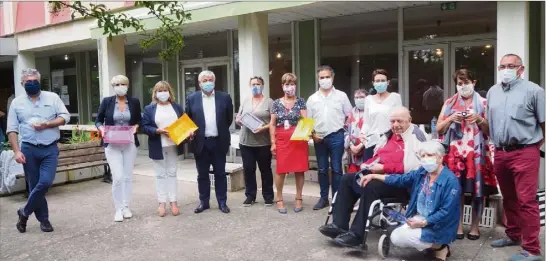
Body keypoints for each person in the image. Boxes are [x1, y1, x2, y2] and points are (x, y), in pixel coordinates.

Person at [319, 107, 427, 247]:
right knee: (348, 179)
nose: (395, 125)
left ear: (409, 120)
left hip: (400, 183)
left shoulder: (416, 136)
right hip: (378, 176)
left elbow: (414, 168)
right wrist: (368, 164)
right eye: (392, 121)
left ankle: (357, 236)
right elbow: (378, 157)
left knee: (371, 186)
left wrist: (384, 168)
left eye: (399, 121)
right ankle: (339, 225)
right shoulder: (388, 136)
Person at [360, 141, 461, 261]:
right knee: (397, 237)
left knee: (404, 237)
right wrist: (374, 176)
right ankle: (432, 245)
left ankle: (440, 247)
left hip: (439, 224)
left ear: (440, 157)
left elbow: (446, 212)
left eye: (429, 155)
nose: (425, 159)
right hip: (420, 217)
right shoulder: (422, 172)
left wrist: (424, 223)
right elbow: (401, 179)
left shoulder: (451, 181)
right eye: (422, 156)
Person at [487, 54, 545, 261]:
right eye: (502, 66)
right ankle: (513, 235)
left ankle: (532, 249)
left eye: (511, 66)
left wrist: (533, 147)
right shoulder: (493, 92)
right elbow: (490, 123)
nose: (506, 69)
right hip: (501, 152)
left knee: (526, 201)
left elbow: (544, 123)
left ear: (521, 69)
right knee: (509, 197)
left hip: (525, 151)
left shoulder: (534, 91)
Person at [435, 69, 497, 241]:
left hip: (478, 154)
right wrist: (450, 119)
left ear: (474, 82)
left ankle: (475, 227)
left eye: (466, 82)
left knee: (479, 190)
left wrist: (478, 118)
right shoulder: (449, 103)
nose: (463, 86)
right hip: (455, 154)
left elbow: (491, 130)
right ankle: (459, 226)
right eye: (460, 83)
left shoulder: (484, 103)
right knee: (457, 191)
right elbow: (439, 128)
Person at [7, 68, 70, 233]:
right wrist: (16, 151)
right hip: (28, 149)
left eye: (35, 80)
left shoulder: (53, 97)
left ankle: (24, 212)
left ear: (39, 81)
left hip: (49, 147)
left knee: (45, 182)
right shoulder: (16, 103)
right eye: (28, 81)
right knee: (34, 185)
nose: (32, 83)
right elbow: (11, 129)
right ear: (22, 84)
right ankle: (44, 220)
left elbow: (65, 116)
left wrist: (47, 124)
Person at [186, 70, 233, 214]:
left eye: (210, 79)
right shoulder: (192, 98)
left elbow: (228, 119)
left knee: (220, 174)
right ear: (199, 83)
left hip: (218, 142)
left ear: (214, 81)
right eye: (204, 80)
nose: (208, 82)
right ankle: (204, 202)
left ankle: (222, 202)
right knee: (202, 175)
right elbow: (188, 119)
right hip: (201, 143)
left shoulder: (224, 97)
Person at [95, 75, 142, 222]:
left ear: (127, 85)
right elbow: (98, 120)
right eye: (117, 84)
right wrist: (101, 128)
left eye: (123, 84)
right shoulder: (107, 102)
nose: (120, 86)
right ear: (113, 86)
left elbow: (139, 120)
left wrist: (136, 127)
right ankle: (118, 209)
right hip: (112, 144)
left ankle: (126, 206)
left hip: (129, 143)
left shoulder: (134, 102)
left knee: (127, 177)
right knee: (118, 177)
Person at [307, 65, 353, 210]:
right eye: (322, 77)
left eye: (327, 77)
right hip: (319, 138)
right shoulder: (312, 99)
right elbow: (307, 121)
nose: (325, 80)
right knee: (321, 169)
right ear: (318, 79)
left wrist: (345, 132)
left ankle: (337, 199)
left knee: (337, 169)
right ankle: (323, 198)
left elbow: (350, 115)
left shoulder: (341, 96)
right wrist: (313, 135)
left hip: (336, 136)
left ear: (333, 77)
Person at [142, 81, 184, 217]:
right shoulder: (150, 109)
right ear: (155, 93)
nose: (163, 93)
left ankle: (173, 201)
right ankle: (161, 202)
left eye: (165, 90)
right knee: (160, 174)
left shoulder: (176, 107)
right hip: (158, 145)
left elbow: (184, 123)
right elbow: (145, 127)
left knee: (172, 173)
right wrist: (157, 131)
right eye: (159, 90)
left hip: (173, 145)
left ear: (169, 92)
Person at [270, 73, 308, 214]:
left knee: (299, 169)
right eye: (287, 84)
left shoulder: (301, 102)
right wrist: (273, 142)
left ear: (295, 86)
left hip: (298, 139)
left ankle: (299, 197)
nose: (290, 87)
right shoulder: (276, 103)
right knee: (281, 170)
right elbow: (272, 124)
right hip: (282, 139)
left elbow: (304, 121)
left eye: (292, 84)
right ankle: (279, 198)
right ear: (282, 86)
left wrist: (306, 134)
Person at [235, 76, 274, 207]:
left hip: (263, 142)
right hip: (246, 142)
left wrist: (263, 128)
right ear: (249, 86)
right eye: (253, 84)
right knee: (248, 169)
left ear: (263, 85)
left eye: (258, 84)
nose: (255, 86)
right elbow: (239, 117)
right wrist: (238, 120)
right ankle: (250, 196)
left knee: (265, 170)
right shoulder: (246, 101)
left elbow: (274, 123)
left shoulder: (269, 102)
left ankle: (268, 196)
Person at [361, 69, 402, 162]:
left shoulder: (395, 97)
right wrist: (362, 134)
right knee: (368, 170)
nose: (380, 83)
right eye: (377, 81)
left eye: (383, 81)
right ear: (373, 83)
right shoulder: (368, 99)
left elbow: (400, 119)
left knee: (387, 170)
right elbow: (366, 122)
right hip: (371, 141)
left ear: (388, 82)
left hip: (389, 140)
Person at [344, 88, 368, 173]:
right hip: (353, 151)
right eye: (356, 97)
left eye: (361, 97)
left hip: (367, 148)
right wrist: (351, 145)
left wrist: (361, 145)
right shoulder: (351, 113)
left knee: (365, 174)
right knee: (353, 175)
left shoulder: (371, 112)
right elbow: (346, 131)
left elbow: (374, 133)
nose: (359, 99)